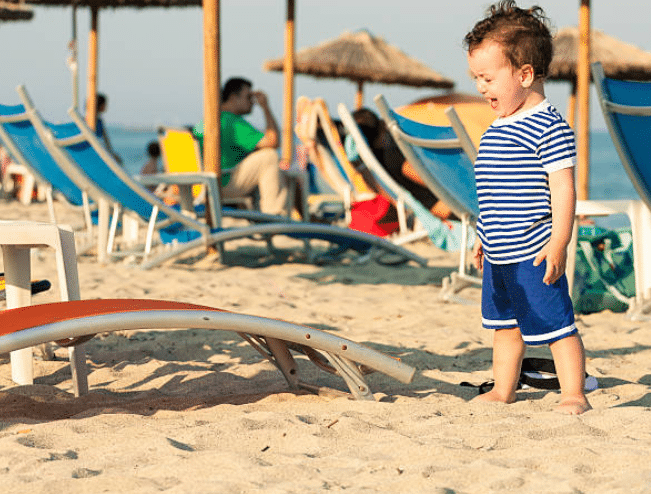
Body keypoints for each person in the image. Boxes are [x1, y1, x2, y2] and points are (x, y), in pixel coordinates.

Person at [464, 0, 591, 414]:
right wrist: (484, 236)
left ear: (524, 74)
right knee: (504, 328)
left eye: (487, 78)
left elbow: (563, 190)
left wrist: (560, 241)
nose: (481, 88)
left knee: (557, 325)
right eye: (476, 79)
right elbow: (493, 191)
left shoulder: (548, 126)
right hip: (500, 252)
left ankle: (573, 392)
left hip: (535, 251)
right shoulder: (497, 127)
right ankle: (505, 389)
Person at [192, 77, 288, 216]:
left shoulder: (208, 120)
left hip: (201, 182)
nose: (253, 102)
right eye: (249, 97)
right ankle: (274, 215)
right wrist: (266, 107)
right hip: (221, 183)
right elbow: (273, 142)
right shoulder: (231, 122)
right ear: (233, 97)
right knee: (269, 157)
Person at [345, 108, 456, 221]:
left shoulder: (375, 161)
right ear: (383, 124)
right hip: (446, 207)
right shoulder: (394, 156)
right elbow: (433, 182)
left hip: (431, 210)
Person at [94, 93, 123, 165]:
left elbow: (106, 140)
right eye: (105, 104)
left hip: (98, 151)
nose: (106, 106)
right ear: (100, 105)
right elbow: (106, 141)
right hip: (98, 153)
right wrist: (111, 154)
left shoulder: (97, 121)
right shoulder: (96, 122)